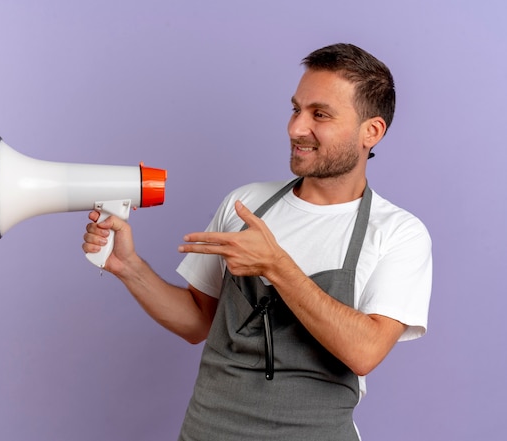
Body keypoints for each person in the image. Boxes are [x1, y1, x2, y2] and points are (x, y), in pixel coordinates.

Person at [82, 43, 432, 441]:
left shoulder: (399, 233)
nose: (296, 128)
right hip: (206, 431)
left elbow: (365, 352)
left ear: (371, 131)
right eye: (296, 109)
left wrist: (276, 265)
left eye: (320, 114)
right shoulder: (245, 203)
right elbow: (198, 322)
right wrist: (128, 268)